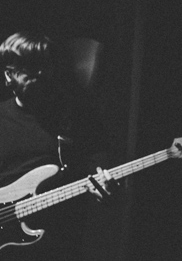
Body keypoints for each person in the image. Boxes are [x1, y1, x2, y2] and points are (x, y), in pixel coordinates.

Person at [0, 31, 116, 260]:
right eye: (30, 68)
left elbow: (101, 173)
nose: (41, 73)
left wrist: (106, 189)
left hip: (59, 245)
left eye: (44, 66)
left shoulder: (79, 118)